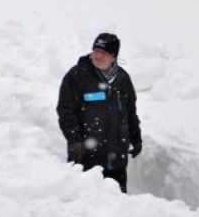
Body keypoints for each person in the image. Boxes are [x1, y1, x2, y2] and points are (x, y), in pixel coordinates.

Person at [57, 33, 142, 193]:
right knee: (87, 206)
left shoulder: (122, 79)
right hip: (86, 157)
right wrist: (74, 141)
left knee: (120, 207)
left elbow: (130, 112)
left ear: (114, 56)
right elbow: (66, 111)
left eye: (104, 52)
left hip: (117, 159)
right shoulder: (77, 75)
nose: (98, 55)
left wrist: (136, 138)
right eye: (96, 50)